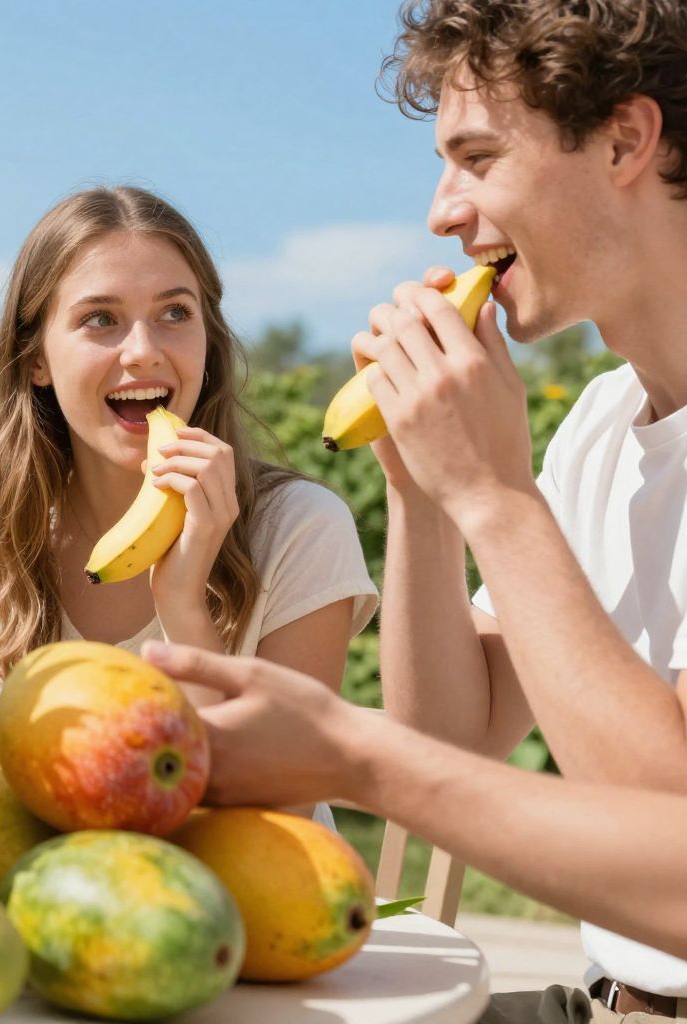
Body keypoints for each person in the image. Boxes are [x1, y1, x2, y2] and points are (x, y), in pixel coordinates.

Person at [347, 0, 687, 1018]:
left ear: (625, 139)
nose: (442, 212)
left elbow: (671, 844)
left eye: (478, 158)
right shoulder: (597, 424)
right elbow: (447, 738)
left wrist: (495, 494)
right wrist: (427, 494)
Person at [0, 186, 378, 825]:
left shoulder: (300, 530)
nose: (144, 349)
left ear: (209, 339)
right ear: (36, 359)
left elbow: (275, 818)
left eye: (176, 313)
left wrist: (183, 606)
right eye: (101, 318)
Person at [148, 639, 687, 1023]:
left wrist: (359, 761)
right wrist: (416, 501)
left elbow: (671, 871)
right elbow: (451, 739)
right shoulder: (583, 475)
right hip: (603, 1002)